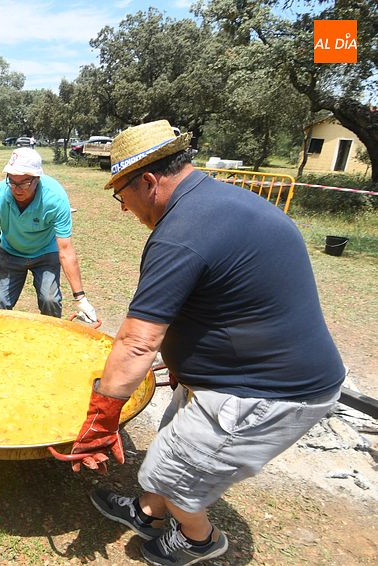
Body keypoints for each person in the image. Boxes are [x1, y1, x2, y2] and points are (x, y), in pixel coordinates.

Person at [71, 120, 345, 566]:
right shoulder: (224, 202)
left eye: (122, 195)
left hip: (268, 390)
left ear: (148, 181)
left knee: (171, 470)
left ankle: (199, 540)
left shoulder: (181, 232)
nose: (124, 209)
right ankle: (147, 512)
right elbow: (229, 299)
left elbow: (138, 342)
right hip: (241, 371)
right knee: (173, 442)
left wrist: (101, 421)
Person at [0, 147, 99, 323]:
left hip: (45, 252)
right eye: (12, 181)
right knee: (1, 302)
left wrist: (80, 298)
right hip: (11, 251)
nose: (16, 189)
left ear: (37, 178)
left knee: (50, 300)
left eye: (23, 183)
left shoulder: (55, 197)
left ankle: (50, 334)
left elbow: (66, 250)